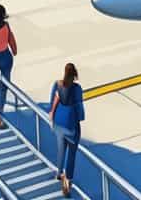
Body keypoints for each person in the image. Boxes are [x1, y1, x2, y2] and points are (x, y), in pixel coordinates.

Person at [49, 63, 84, 197]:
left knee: (61, 149)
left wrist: (52, 115)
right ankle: (67, 180)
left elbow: (52, 101)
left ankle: (59, 172)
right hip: (71, 125)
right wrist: (80, 118)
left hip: (58, 122)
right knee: (72, 154)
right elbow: (79, 108)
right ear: (74, 74)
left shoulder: (57, 84)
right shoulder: (77, 88)